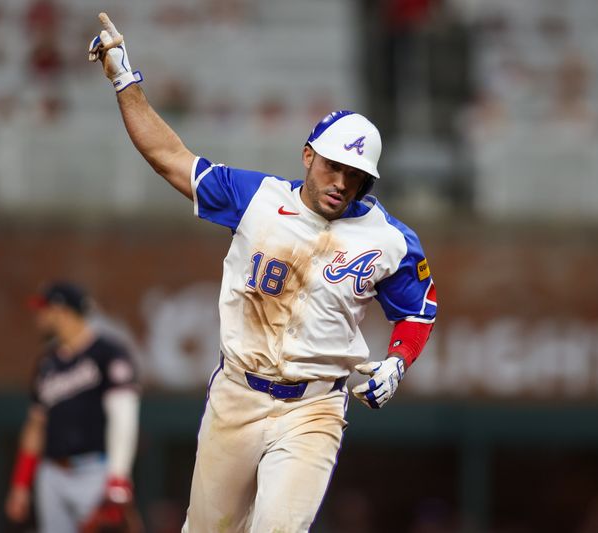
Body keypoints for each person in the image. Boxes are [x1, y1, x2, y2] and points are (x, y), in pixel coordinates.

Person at [89, 13, 438, 532]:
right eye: (333, 166)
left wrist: (398, 361)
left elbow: (419, 310)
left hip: (315, 407)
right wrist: (124, 79)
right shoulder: (256, 197)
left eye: (356, 175)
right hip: (237, 393)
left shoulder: (390, 239)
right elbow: (169, 157)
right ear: (308, 156)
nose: (342, 182)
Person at [5, 281, 142, 533]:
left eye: (44, 310)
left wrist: (118, 477)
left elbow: (124, 417)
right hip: (52, 473)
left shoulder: (108, 353)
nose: (40, 317)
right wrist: (21, 483)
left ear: (62, 311)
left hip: (94, 471)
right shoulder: (47, 363)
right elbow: (36, 426)